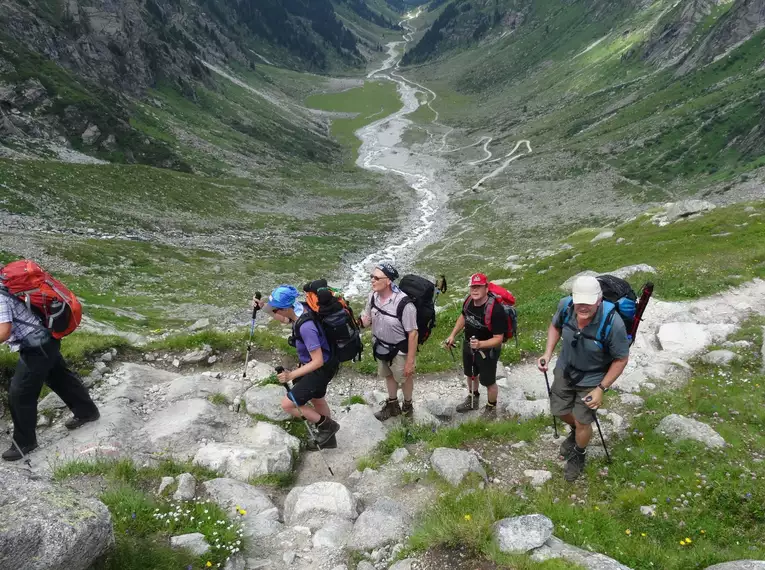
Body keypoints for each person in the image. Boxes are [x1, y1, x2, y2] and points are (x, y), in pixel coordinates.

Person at [537, 275, 630, 482]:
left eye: (589, 302)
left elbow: (621, 359)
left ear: (599, 300)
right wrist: (547, 353)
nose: (583, 307)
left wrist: (601, 388)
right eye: (580, 301)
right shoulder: (565, 306)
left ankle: (579, 453)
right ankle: (575, 431)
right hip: (565, 369)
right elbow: (555, 327)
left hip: (592, 378)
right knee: (559, 410)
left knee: (582, 420)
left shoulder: (613, 324)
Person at [0, 292, 100, 461]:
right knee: (59, 377)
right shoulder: (3, 286)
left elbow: (4, 331)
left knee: (19, 393)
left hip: (36, 345)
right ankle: (87, 412)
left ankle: (24, 443)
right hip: (45, 337)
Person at [260, 285, 340, 450]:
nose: (275, 313)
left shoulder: (306, 327)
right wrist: (263, 307)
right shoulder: (300, 308)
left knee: (288, 404)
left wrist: (291, 375)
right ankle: (329, 439)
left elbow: (317, 361)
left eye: (275, 310)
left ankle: (328, 426)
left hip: (320, 368)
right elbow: (285, 320)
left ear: (284, 308)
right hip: (322, 363)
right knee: (317, 399)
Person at [360, 263, 418, 421]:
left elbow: (413, 333)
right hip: (380, 345)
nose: (372, 280)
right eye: (371, 276)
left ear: (388, 281)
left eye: (376, 277)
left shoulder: (405, 304)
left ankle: (408, 405)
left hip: (400, 350)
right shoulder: (372, 296)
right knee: (388, 375)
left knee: (404, 378)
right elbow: (367, 319)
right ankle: (393, 405)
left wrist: (410, 362)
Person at [445, 273, 507, 417]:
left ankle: (491, 409)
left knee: (489, 381)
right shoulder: (468, 302)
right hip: (469, 346)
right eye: (473, 286)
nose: (475, 290)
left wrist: (480, 344)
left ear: (486, 287)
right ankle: (473, 399)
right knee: (470, 374)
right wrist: (452, 335)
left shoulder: (496, 310)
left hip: (487, 351)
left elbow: (498, 338)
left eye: (478, 286)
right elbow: (463, 316)